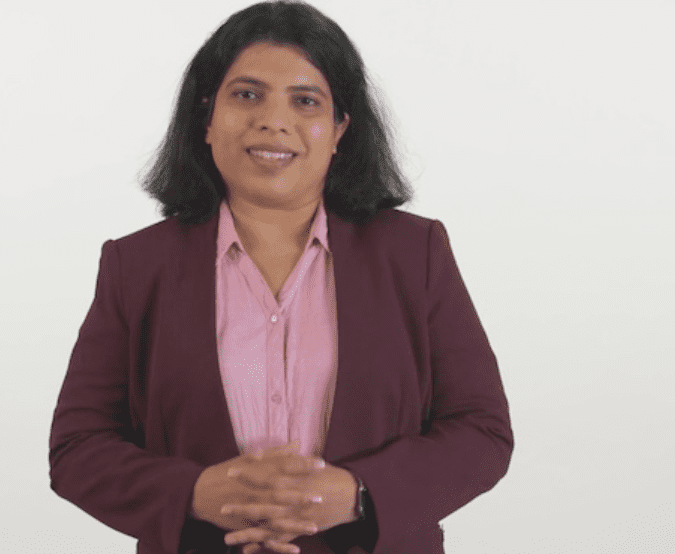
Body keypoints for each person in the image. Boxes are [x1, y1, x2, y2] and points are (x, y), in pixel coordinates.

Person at [48, 1, 514, 553]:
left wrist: (359, 493)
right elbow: (78, 448)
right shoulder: (137, 266)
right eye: (246, 94)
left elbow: (481, 431)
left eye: (306, 100)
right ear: (207, 116)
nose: (273, 120)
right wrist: (194, 493)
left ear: (340, 128)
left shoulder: (415, 254)